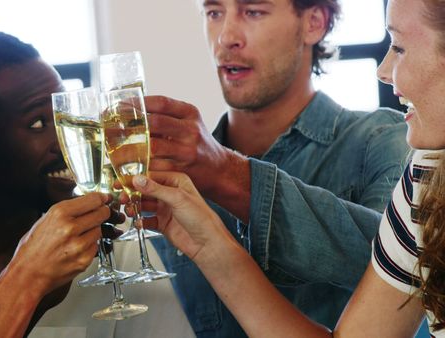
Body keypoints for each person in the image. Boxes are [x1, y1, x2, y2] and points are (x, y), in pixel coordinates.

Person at [133, 1, 445, 335]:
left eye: (253, 11)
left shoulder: (390, 141)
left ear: (314, 23)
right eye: (213, 13)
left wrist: (228, 176)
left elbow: (411, 270)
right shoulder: (181, 181)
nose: (226, 37)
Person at [0, 29, 192, 338]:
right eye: (38, 123)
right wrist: (32, 285)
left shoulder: (118, 253)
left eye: (63, 114)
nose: (66, 140)